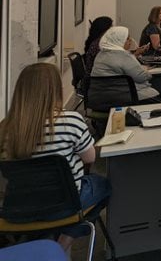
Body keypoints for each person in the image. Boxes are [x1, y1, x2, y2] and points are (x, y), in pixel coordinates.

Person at [0, 63, 112, 255]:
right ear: (55, 90)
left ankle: (40, 243)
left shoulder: (5, 129)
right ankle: (62, 244)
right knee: (104, 186)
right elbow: (90, 157)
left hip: (18, 209)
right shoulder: (71, 122)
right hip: (65, 204)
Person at [92, 26, 161, 102]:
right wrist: (145, 70)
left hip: (99, 97)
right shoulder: (122, 55)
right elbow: (142, 77)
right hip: (123, 96)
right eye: (127, 38)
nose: (130, 40)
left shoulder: (100, 54)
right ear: (119, 40)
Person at [81, 16, 114, 96]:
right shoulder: (100, 45)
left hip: (96, 80)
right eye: (111, 27)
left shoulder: (95, 41)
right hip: (99, 82)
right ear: (105, 30)